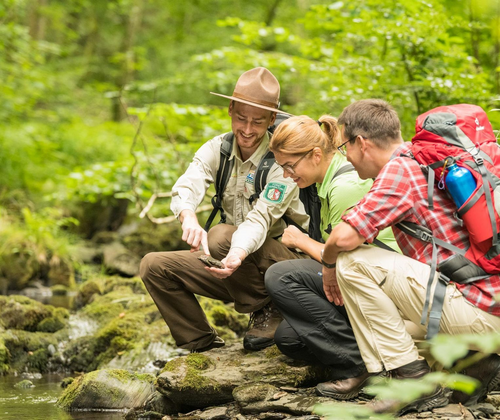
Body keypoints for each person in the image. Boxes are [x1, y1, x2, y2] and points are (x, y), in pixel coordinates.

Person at [320, 99, 500, 414]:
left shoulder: (400, 169)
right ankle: (476, 363)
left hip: (479, 311)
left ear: (361, 143)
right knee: (390, 332)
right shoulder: (427, 163)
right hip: (489, 307)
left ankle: (414, 384)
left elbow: (343, 238)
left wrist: (328, 265)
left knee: (352, 261)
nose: (344, 156)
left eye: (343, 147)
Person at [140, 67, 310, 353]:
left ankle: (269, 309)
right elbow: (188, 184)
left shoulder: (282, 159)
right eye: (241, 118)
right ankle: (200, 342)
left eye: (258, 122)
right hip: (235, 265)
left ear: (271, 120)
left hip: (284, 265)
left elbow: (261, 219)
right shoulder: (218, 149)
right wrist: (188, 216)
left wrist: (236, 252)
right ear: (230, 109)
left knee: (219, 236)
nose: (247, 129)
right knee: (154, 266)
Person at [264, 114, 401, 400]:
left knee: (280, 276)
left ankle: (359, 367)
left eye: (289, 166)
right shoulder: (320, 185)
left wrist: (301, 241)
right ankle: (369, 353)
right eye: (282, 167)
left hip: (386, 285)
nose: (287, 175)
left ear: (316, 155)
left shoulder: (344, 186)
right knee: (289, 338)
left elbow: (346, 258)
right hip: (362, 279)